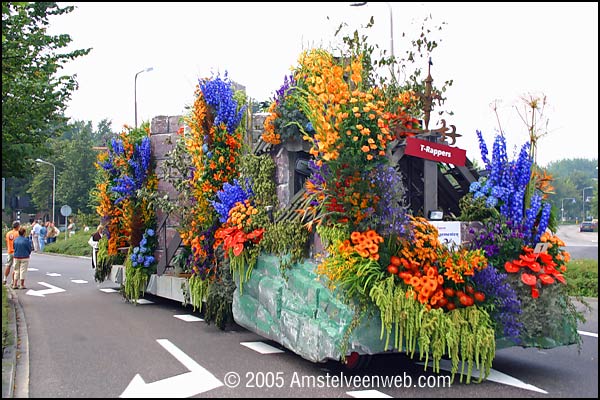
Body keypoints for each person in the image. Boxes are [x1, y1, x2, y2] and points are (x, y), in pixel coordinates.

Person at [3, 221, 20, 285]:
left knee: (8, 265)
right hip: (16, 252)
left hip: (10, 251)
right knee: (15, 267)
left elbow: (7, 241)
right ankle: (13, 281)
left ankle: (4, 278)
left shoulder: (8, 233)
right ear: (18, 226)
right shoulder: (18, 233)